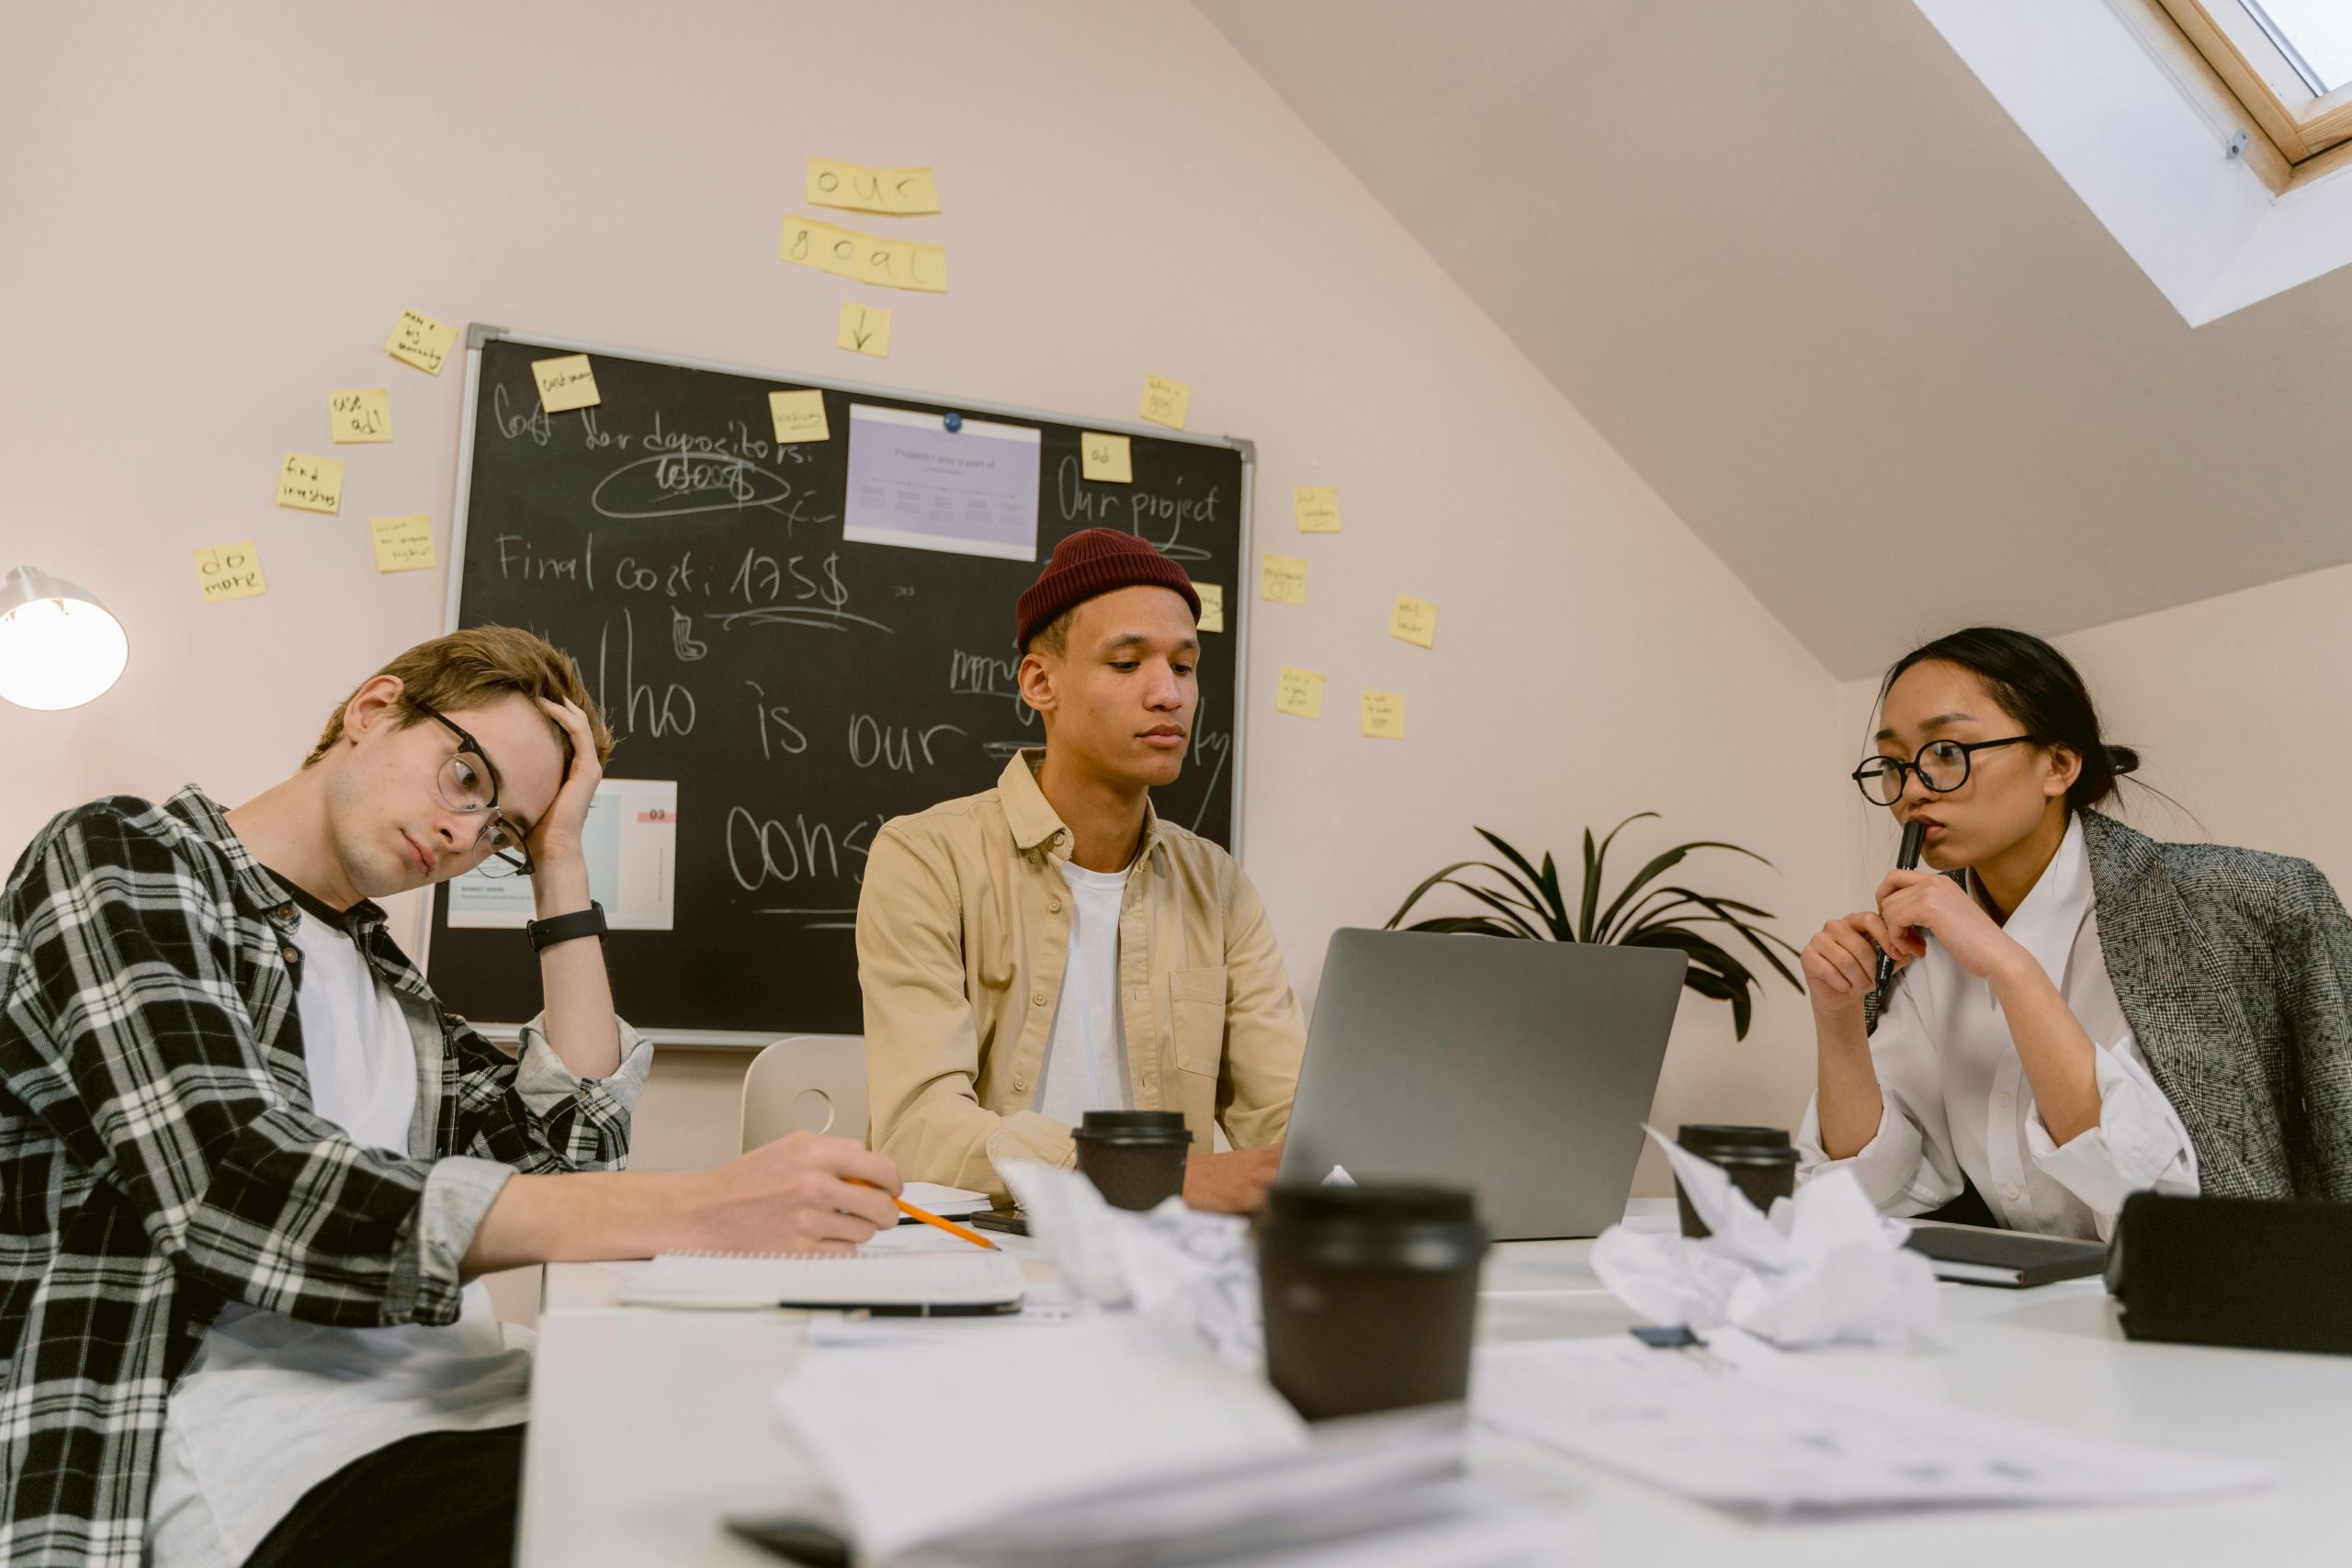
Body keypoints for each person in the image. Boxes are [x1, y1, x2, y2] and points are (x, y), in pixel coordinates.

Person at [0, 626, 900, 1568]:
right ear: (374, 709)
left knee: (845, 1479)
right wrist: (702, 1208)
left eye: (499, 831)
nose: (466, 837)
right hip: (266, 1447)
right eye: (466, 780)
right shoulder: (124, 856)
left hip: (476, 1401)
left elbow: (570, 1156)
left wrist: (559, 865)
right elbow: (235, 1183)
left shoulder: (393, 985)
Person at [1797, 626, 2352, 1240]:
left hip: (2216, 1309)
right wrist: (1838, 1017)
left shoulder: (2221, 905)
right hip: (2015, 1314)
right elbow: (1869, 1195)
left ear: (2058, 765)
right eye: (1895, 764)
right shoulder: (1921, 944)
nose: (1913, 790)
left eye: (1948, 751)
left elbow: (2163, 1205)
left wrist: (2010, 967)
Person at [859, 528, 1306, 1214]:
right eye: (1127, 663)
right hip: (988, 1255)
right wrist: (1151, 1178)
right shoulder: (925, 857)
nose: (1169, 694)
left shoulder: (1219, 887)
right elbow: (919, 1130)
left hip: (1167, 1268)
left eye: (1184, 667)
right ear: (1041, 682)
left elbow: (1290, 1126)